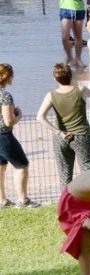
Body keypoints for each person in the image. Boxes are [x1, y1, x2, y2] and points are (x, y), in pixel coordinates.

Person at [36, 63, 90, 187]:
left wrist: (59, 132)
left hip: (61, 137)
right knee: (88, 169)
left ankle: (66, 204)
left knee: (64, 174)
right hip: (82, 135)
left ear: (54, 78)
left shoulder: (51, 95)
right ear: (71, 76)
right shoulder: (81, 90)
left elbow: (40, 117)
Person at [0, 64, 38, 209]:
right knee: (22, 164)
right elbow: (8, 122)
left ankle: (2, 200)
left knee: (1, 167)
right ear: (7, 77)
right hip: (3, 135)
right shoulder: (5, 95)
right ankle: (23, 199)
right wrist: (19, 115)